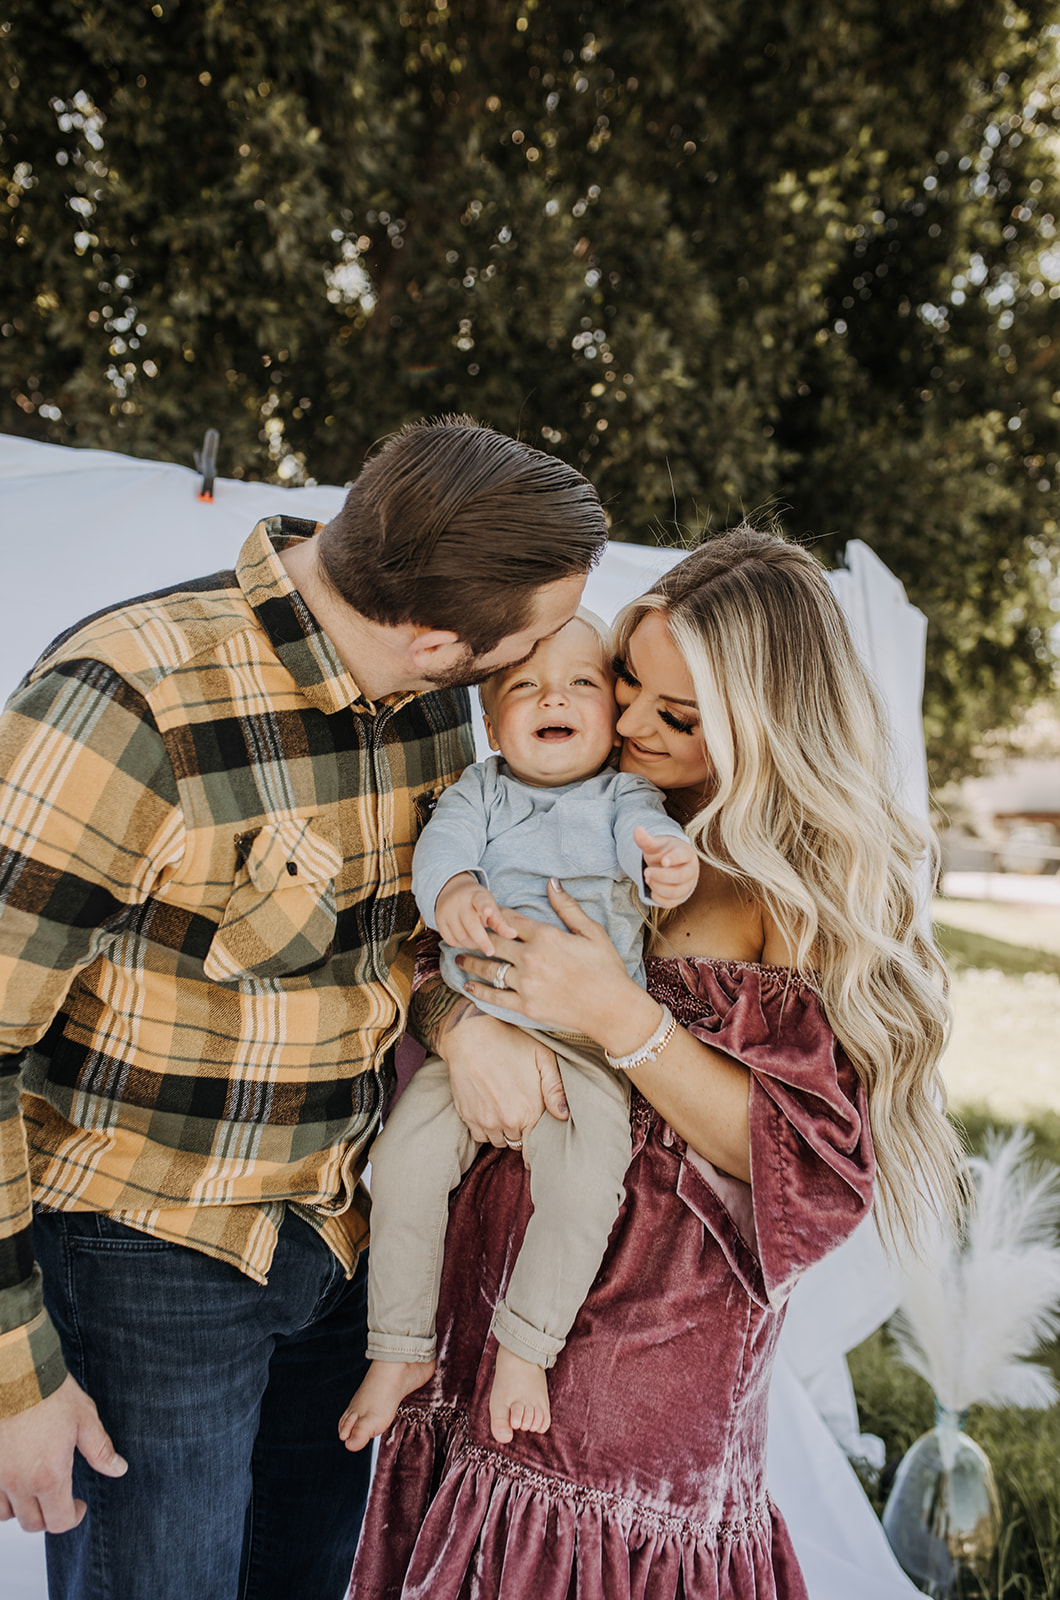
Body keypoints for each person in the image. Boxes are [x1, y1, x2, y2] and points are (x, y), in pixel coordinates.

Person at [0, 414, 607, 1600]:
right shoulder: (123, 702)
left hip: (341, 1244)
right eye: (528, 643)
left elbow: (395, 954)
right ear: (440, 643)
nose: (539, 669)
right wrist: (14, 1370)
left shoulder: (435, 707)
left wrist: (463, 1021)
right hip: (149, 1258)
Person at [348, 522, 968, 1600]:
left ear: (758, 727)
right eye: (623, 681)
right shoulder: (569, 804)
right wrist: (463, 1026)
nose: (625, 722)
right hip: (493, 1288)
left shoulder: (786, 890)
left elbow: (807, 1166)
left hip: (640, 1354)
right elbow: (425, 952)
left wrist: (614, 1010)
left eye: (673, 716)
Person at [339, 611, 700, 1452]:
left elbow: (650, 841)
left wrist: (667, 863)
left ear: (610, 716)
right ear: (491, 720)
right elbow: (443, 851)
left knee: (583, 1189)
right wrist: (456, 887)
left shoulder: (625, 794)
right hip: (481, 1023)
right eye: (523, 687)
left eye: (581, 682)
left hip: (585, 1050)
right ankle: (398, 1346)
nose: (554, 697)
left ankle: (525, 1346)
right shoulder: (481, 789)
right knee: (401, 1167)